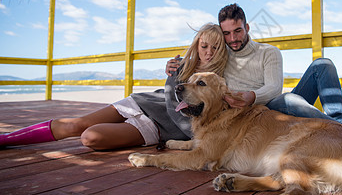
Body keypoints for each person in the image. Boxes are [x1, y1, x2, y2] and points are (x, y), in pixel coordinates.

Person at [166, 4, 342, 169]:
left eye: (237, 31)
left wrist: (251, 96)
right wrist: (173, 66)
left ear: (247, 27)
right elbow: (200, 60)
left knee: (321, 67)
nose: (232, 38)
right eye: (226, 33)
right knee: (292, 103)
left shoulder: (268, 52)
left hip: (267, 103)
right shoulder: (222, 57)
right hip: (251, 120)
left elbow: (274, 89)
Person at [0, 23, 227, 150]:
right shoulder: (180, 65)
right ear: (196, 45)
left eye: (215, 47)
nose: (208, 52)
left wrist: (193, 139)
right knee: (76, 125)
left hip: (159, 129)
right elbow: (170, 102)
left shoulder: (220, 81)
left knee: (91, 138)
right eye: (203, 45)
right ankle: (6, 139)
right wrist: (194, 136)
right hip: (144, 103)